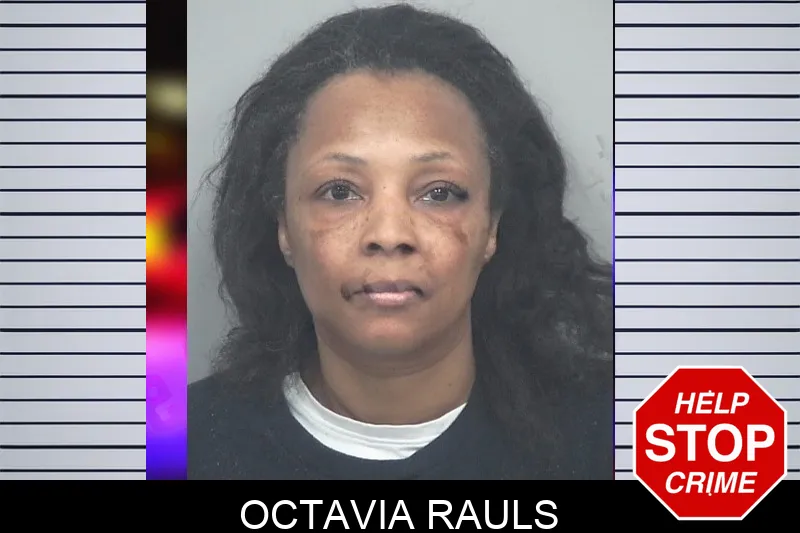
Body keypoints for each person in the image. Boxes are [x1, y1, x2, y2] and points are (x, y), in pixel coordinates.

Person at [188, 3, 612, 480]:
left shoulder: (621, 440)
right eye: (340, 192)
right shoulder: (173, 449)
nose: (389, 236)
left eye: (439, 193)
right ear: (283, 225)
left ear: (492, 226)